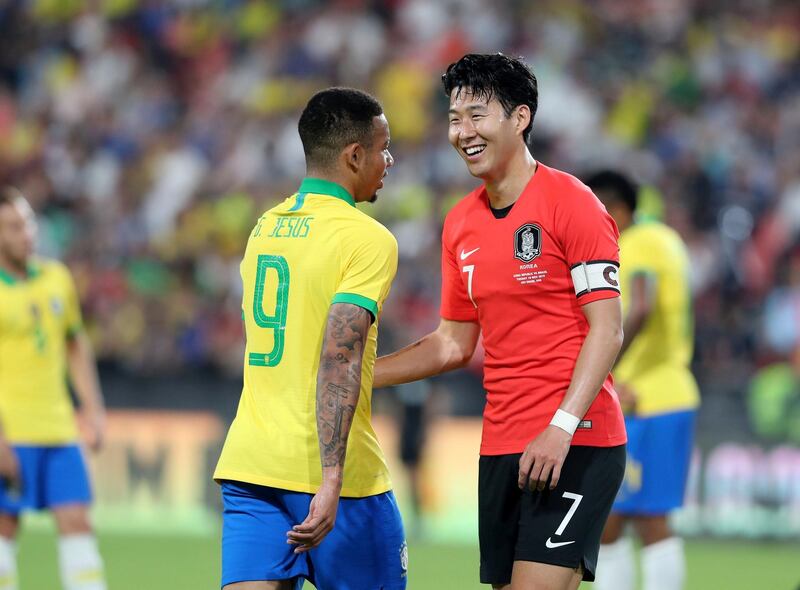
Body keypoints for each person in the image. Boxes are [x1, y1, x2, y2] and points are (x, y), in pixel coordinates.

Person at [374, 53, 627, 590]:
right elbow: (451, 344)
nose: (462, 131)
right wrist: (360, 373)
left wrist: (560, 429)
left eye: (477, 115)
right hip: (501, 445)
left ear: (520, 118)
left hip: (574, 439)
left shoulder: (573, 204)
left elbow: (608, 328)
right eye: (453, 118)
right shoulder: (459, 223)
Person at [213, 87, 406, 590]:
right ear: (354, 155)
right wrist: (332, 477)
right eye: (384, 148)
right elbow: (340, 355)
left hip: (251, 464)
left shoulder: (265, 227)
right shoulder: (366, 239)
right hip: (331, 476)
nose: (389, 160)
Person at [585, 170, 699, 590]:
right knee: (611, 521)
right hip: (643, 398)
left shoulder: (641, 242)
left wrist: (605, 368)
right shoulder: (664, 238)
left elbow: (641, 306)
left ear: (615, 210)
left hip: (653, 399)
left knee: (651, 519)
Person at [0, 187, 107, 590]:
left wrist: (93, 411)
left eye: (27, 223)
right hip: (13, 431)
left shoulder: (56, 278)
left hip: (60, 429)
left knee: (77, 522)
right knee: (5, 529)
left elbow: (76, 345)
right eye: (12, 226)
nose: (25, 233)